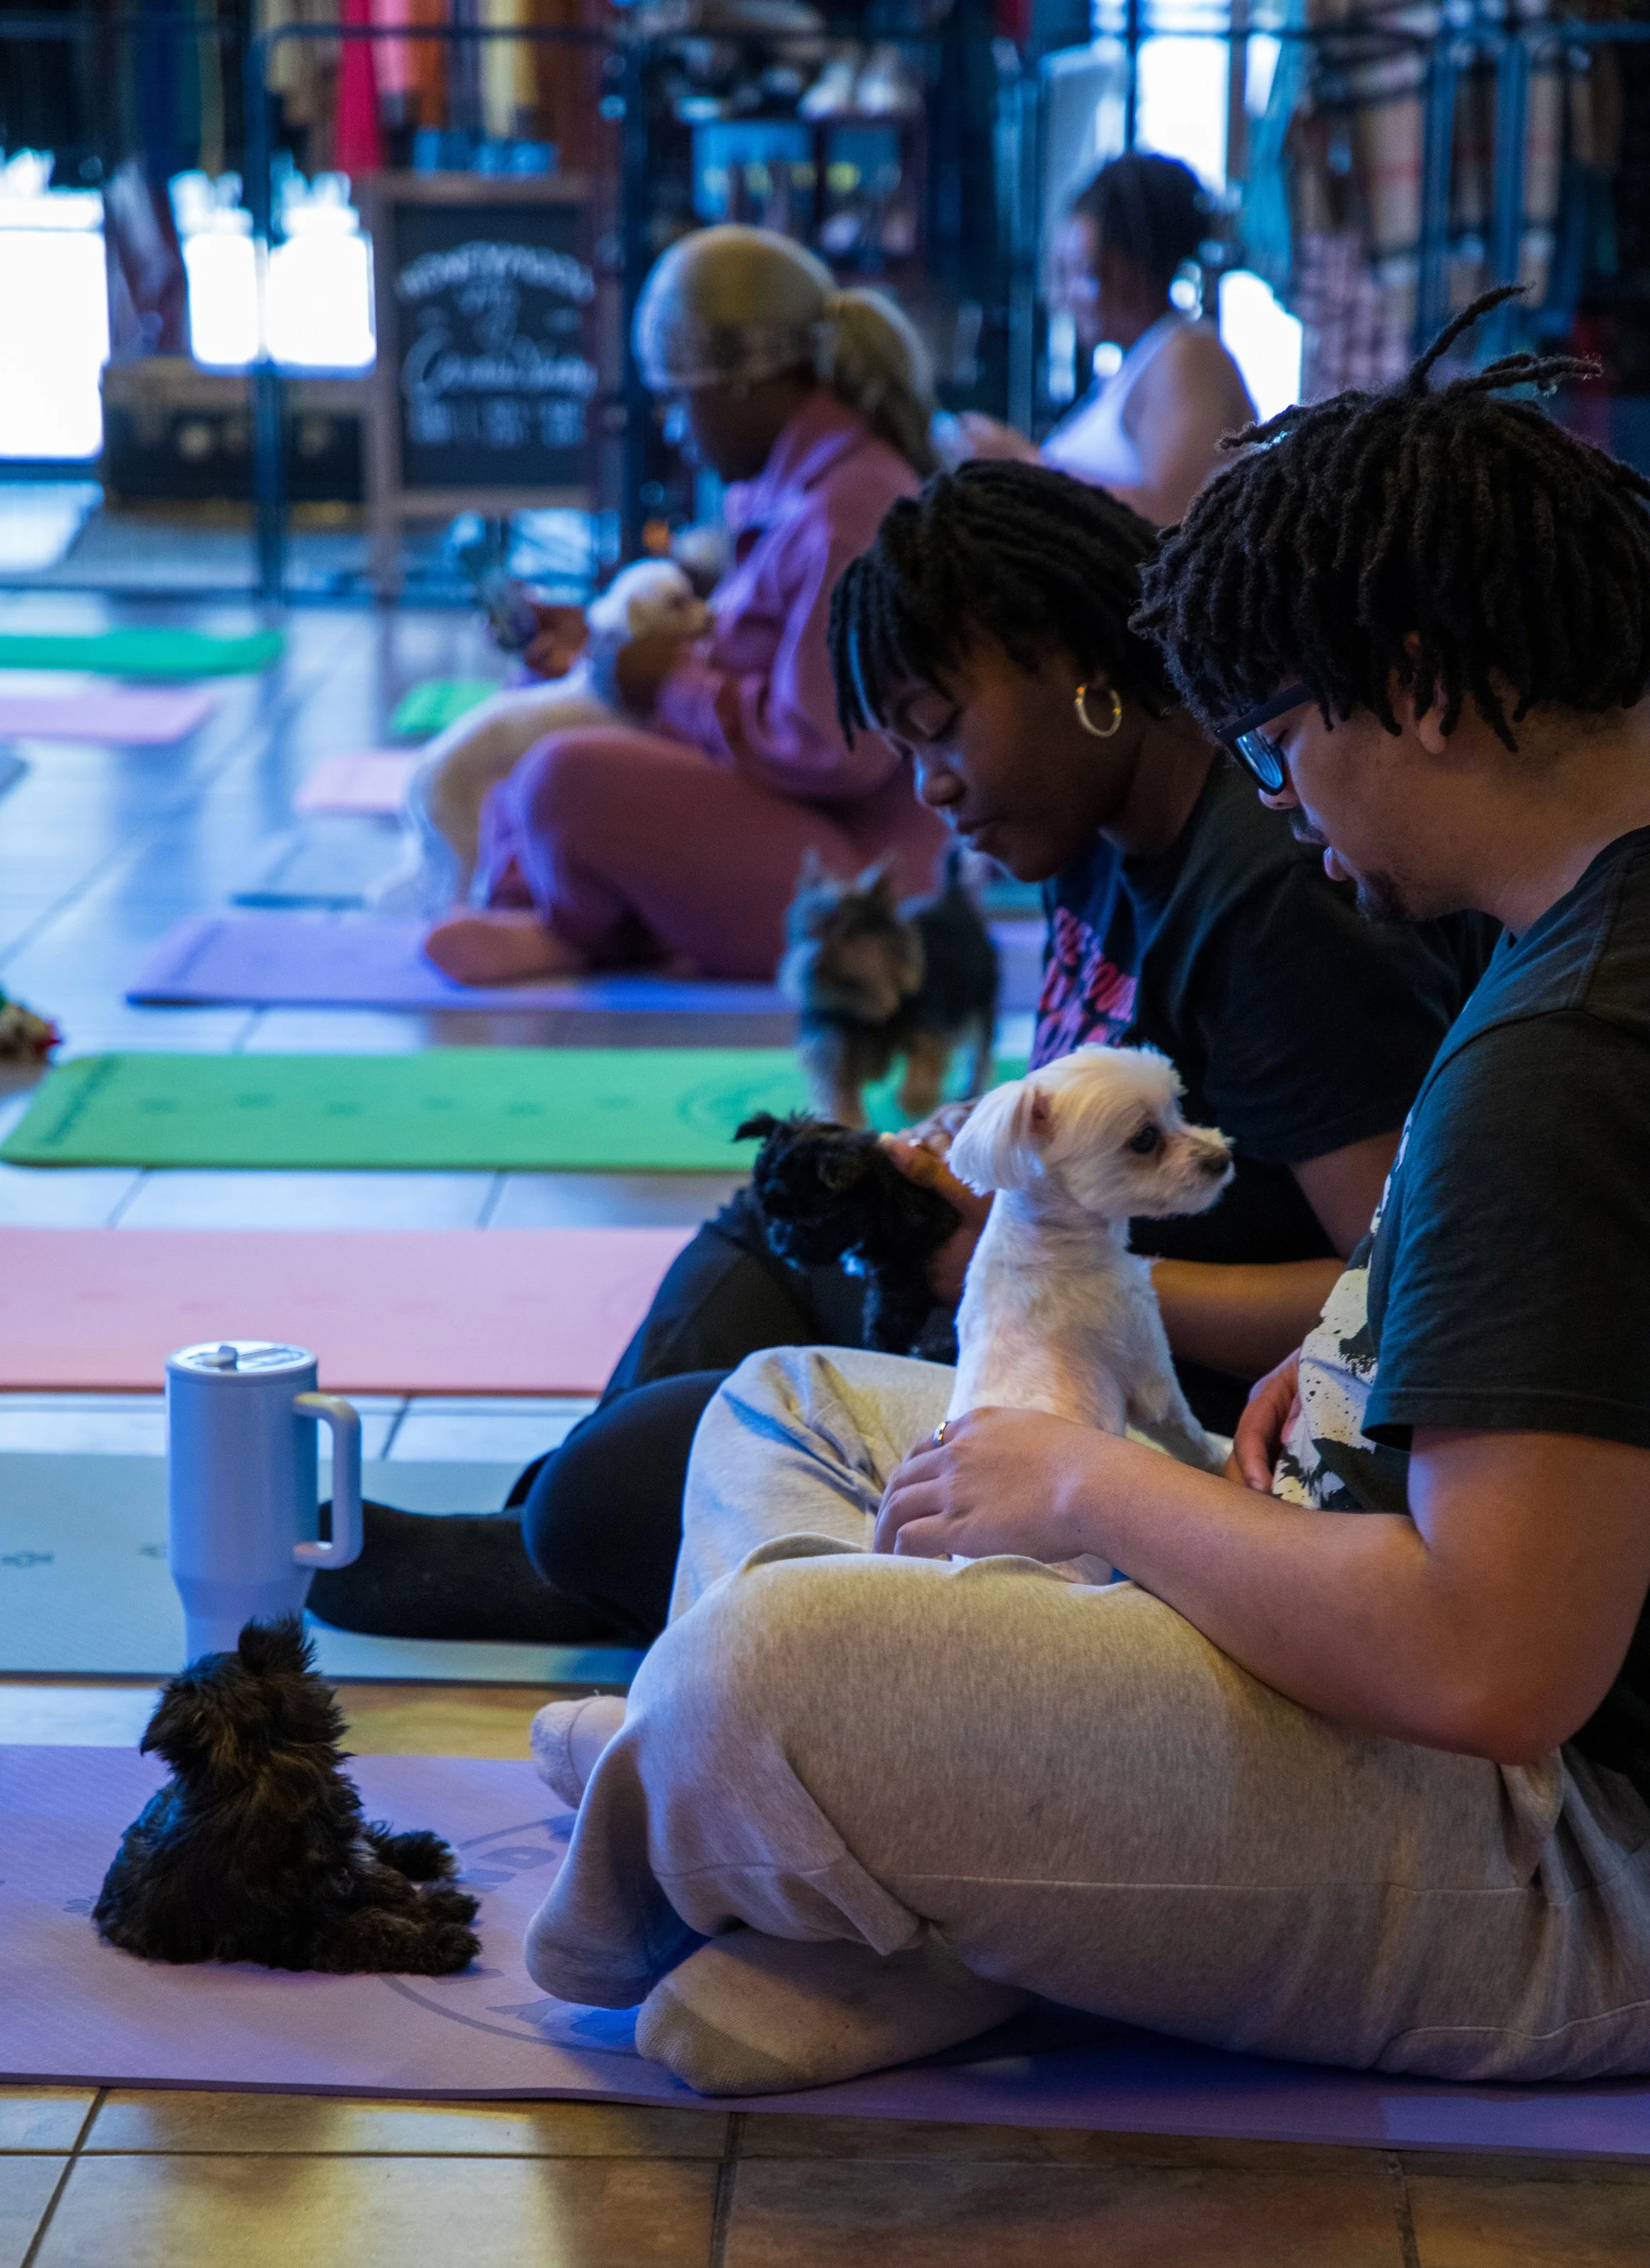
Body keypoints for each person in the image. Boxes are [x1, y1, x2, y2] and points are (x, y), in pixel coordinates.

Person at [520, 291, 1650, 2104]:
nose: (1281, 804)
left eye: (1280, 745)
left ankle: (752, 1854)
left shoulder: (1567, 1045)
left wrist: (1102, 1481)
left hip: (1547, 1856)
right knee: (789, 1410)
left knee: (763, 1661)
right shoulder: (1566, 944)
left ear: (1423, 687)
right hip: (1364, 1612)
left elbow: (1496, 1660)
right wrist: (1362, 1356)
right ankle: (923, 1897)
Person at [309, 461, 1489, 1649]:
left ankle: (565, 1552)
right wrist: (966, 1156)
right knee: (787, 1210)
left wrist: (1063, 1273)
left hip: (1161, 1396)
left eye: (938, 732)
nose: (929, 788)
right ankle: (541, 1546)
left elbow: (1387, 1304)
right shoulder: (1100, 829)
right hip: (1052, 1295)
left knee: (608, 1496)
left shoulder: (1273, 904)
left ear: (1073, 660)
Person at [421, 225, 949, 987]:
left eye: (680, 401)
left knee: (560, 774)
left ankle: (577, 929)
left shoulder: (847, 510)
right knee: (543, 701)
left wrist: (667, 684)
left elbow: (834, 751)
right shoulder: (812, 490)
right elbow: (755, 655)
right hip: (811, 838)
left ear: (740, 380)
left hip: (859, 887)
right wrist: (602, 645)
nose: (676, 430)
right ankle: (552, 907)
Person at [958, 151, 1255, 526]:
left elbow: (1178, 515)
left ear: (1130, 270)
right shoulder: (1140, 364)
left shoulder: (1187, 354)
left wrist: (1025, 464)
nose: (1064, 298)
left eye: (1083, 273)